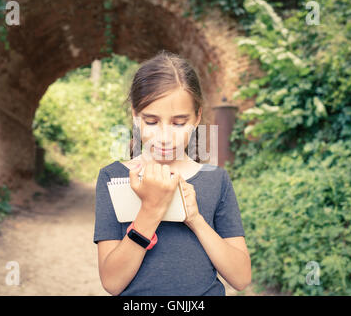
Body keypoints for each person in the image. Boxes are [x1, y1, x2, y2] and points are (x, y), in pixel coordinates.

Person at [93, 50, 251, 296]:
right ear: (135, 115)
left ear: (197, 117)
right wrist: (151, 210)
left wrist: (195, 219)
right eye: (152, 121)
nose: (165, 137)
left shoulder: (215, 179)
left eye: (178, 123)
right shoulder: (113, 178)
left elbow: (241, 278)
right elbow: (112, 283)